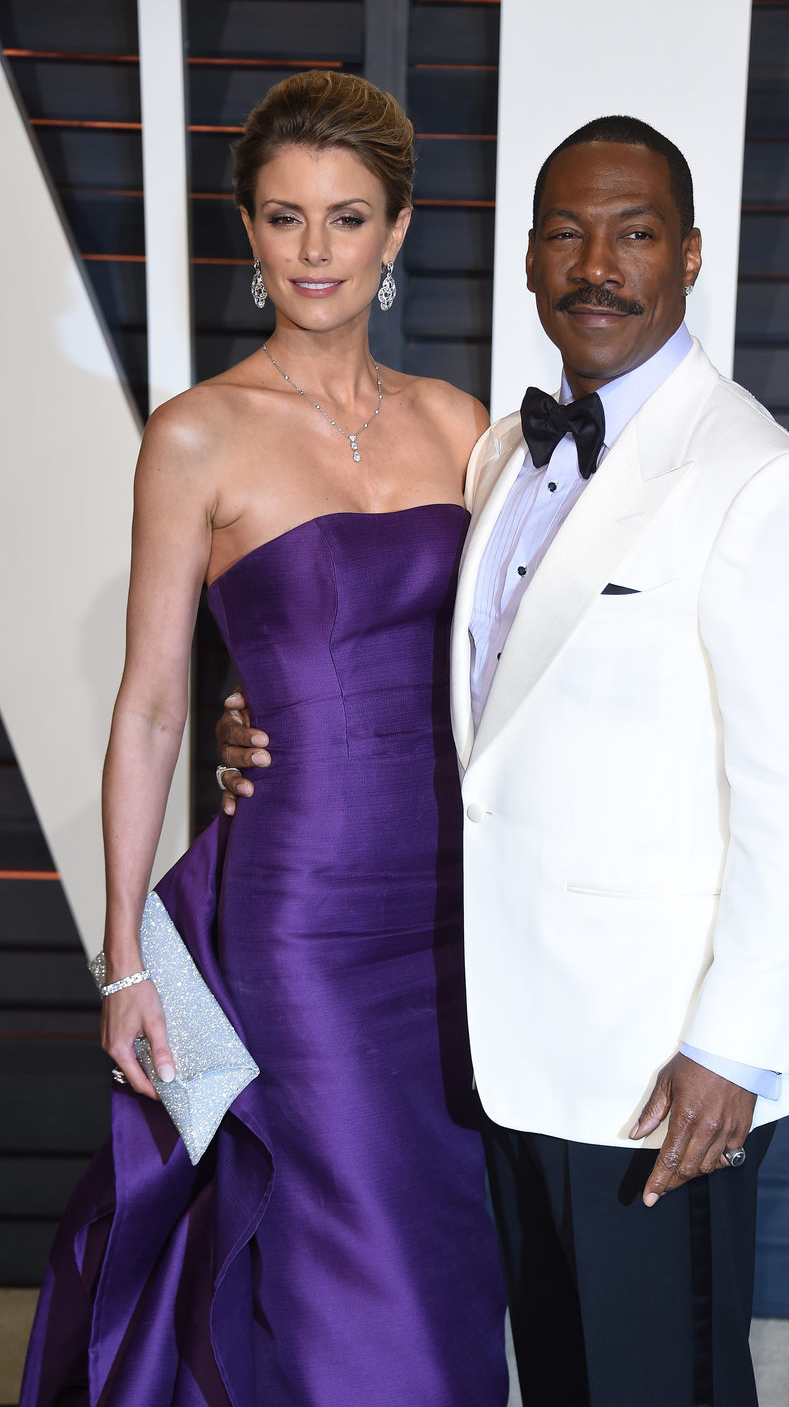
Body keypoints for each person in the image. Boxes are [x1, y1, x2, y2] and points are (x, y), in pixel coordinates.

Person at [219, 116, 789, 1407]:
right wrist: (262, 705)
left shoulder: (754, 480)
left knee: (661, 1382)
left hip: (655, 1059)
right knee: (561, 1377)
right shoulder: (505, 454)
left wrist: (734, 1050)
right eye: (566, 231)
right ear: (526, 260)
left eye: (632, 233)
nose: (597, 264)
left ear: (687, 255)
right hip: (507, 1036)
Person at [20, 70, 507, 1407]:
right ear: (247, 230)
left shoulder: (463, 427)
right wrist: (125, 960)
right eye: (285, 218)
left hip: (457, 918)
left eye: (346, 220)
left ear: (396, 232)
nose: (314, 252)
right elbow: (156, 702)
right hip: (302, 919)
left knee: (451, 1248)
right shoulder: (197, 435)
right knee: (361, 1258)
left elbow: (510, 671)